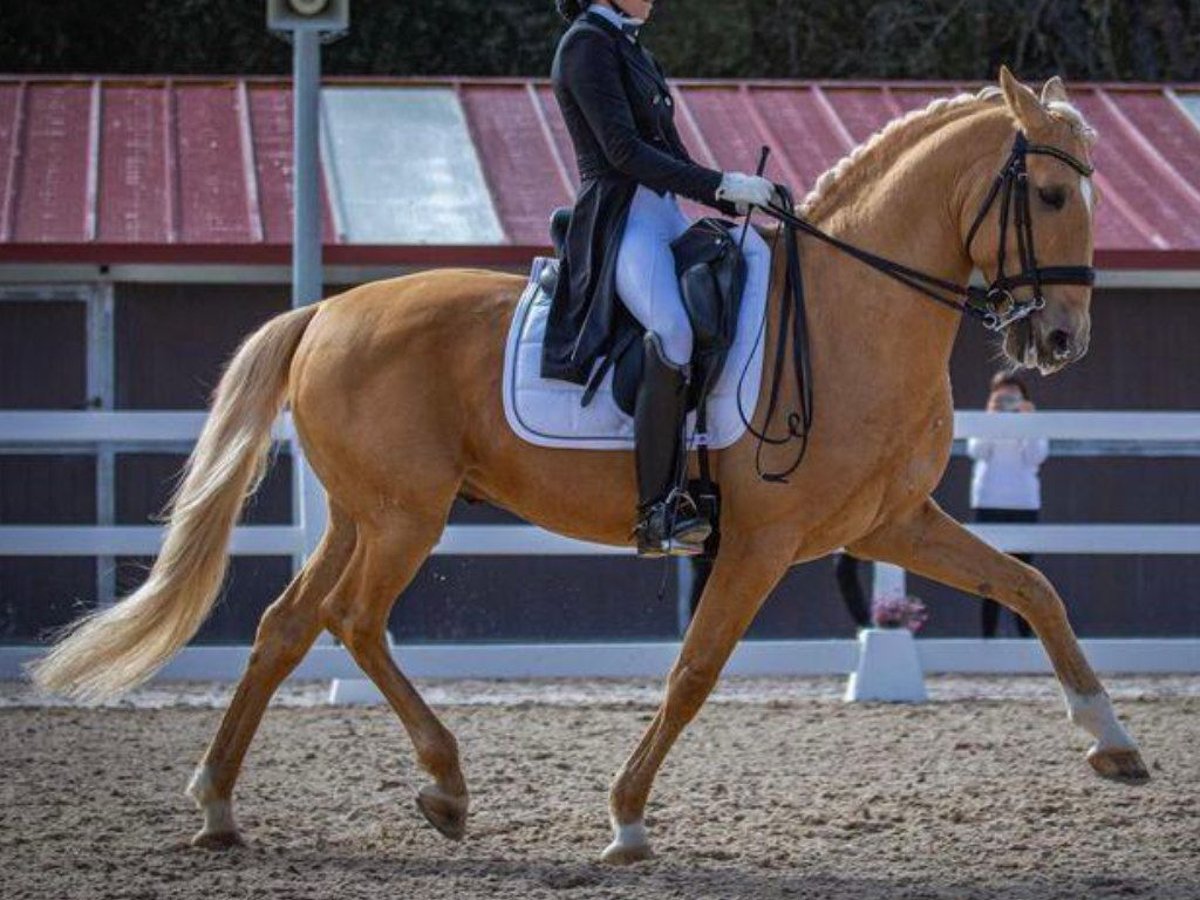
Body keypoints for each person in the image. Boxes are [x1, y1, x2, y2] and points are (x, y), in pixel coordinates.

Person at [543, 0, 777, 557]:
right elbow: (623, 152)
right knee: (671, 331)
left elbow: (670, 151)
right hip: (621, 215)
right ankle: (657, 510)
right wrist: (719, 185)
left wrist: (736, 193)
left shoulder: (631, 48)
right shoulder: (586, 45)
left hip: (664, 213)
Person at [967, 372, 1048, 638]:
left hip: (1022, 503)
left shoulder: (1031, 422)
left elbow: (1036, 456)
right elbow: (976, 451)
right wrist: (991, 418)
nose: (1008, 404)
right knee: (989, 575)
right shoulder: (985, 420)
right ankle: (987, 639)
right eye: (1002, 397)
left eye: (1014, 397)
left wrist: (1029, 422)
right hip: (989, 502)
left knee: (1023, 575)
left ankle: (1025, 638)